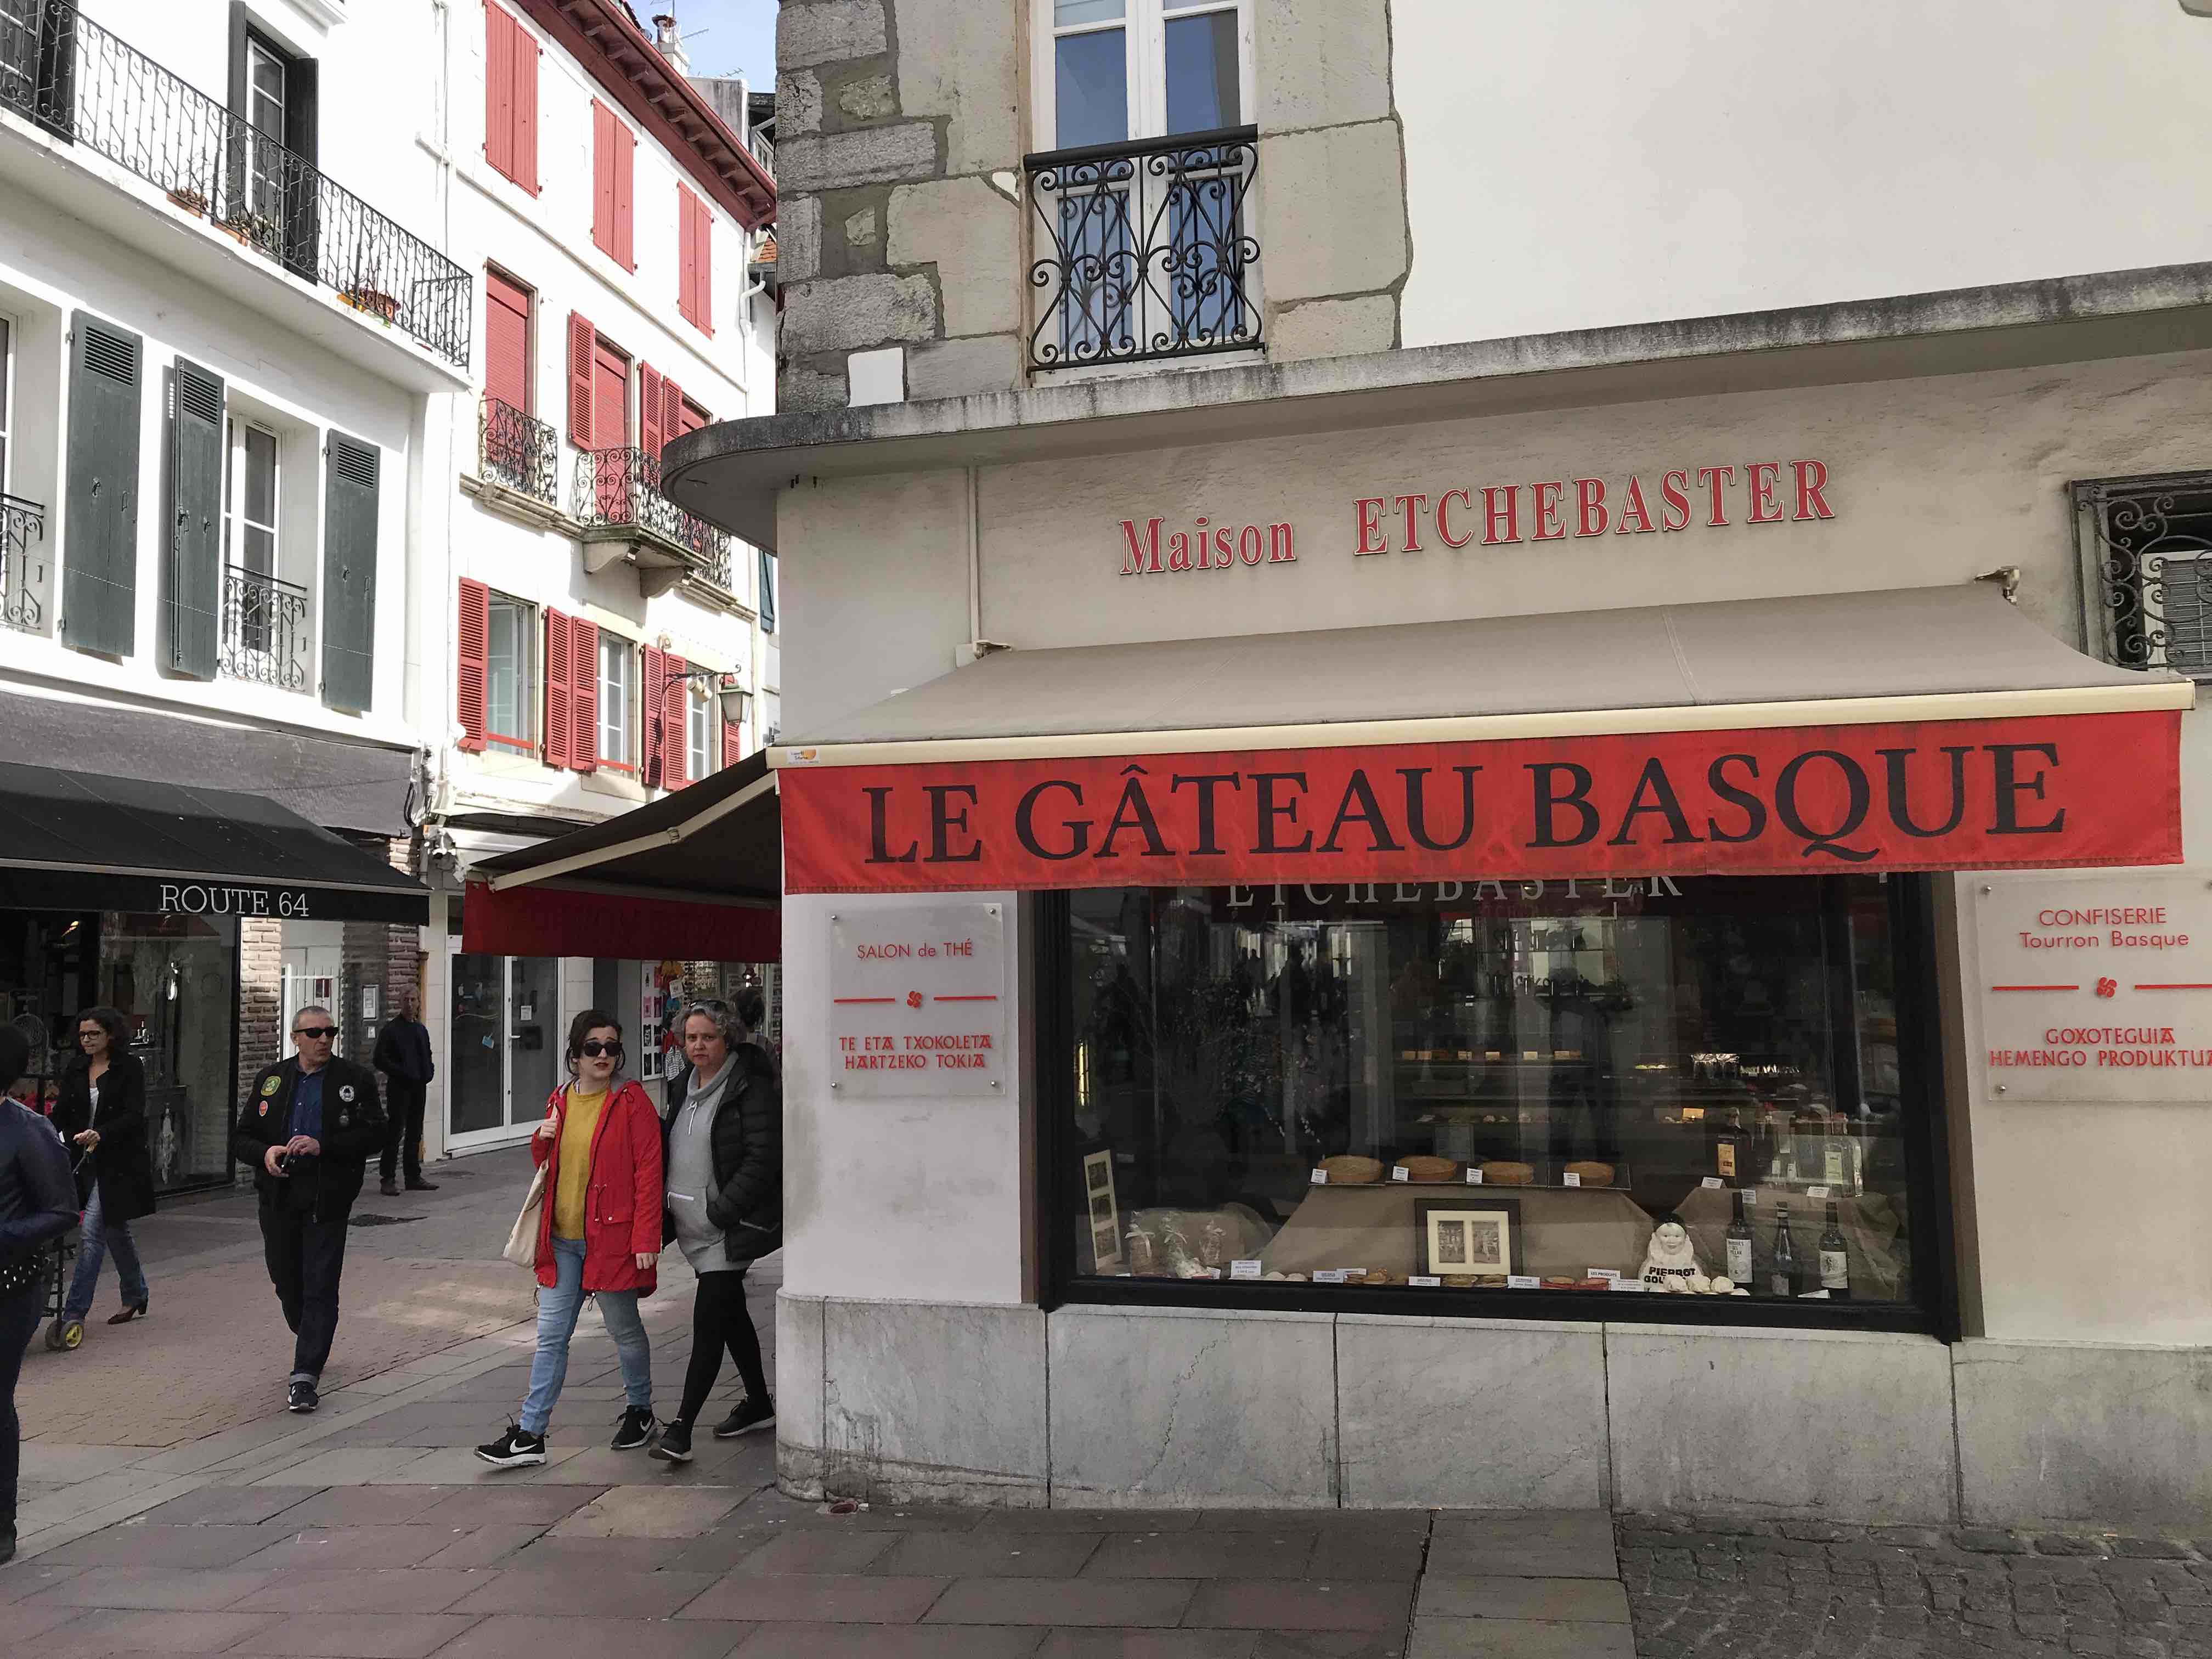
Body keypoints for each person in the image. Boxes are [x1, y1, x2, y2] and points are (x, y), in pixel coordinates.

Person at [477, 1011, 663, 1468]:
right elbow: (551, 1166)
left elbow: (649, 1174)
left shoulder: (632, 1101)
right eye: (593, 1047)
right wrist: (540, 1141)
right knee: (551, 1338)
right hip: (561, 1240)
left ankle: (641, 1411)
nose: (603, 1055)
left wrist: (646, 1239)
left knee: (624, 1330)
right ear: (574, 1055)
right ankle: (530, 1434)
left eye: (611, 1047)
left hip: (613, 1239)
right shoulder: (559, 1099)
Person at [232, 1006, 386, 1414]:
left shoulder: (354, 1079)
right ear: (295, 1038)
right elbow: (242, 1137)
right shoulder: (272, 1080)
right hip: (278, 1196)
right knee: (287, 1281)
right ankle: (311, 1332)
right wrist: (266, 1153)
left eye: (330, 1032)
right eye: (314, 1033)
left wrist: (324, 1147)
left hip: (327, 1197)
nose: (323, 1040)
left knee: (320, 1284)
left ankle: (305, 1376)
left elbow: (378, 1134)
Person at [650, 994, 781, 1465]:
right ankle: (760, 1404)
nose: (698, 1046)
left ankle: (681, 1428)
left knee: (708, 1323)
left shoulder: (750, 1087)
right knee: (732, 1317)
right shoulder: (683, 1084)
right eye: (691, 1038)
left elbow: (762, 1159)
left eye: (708, 1037)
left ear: (728, 1038)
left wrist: (722, 1212)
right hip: (692, 1228)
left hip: (726, 1229)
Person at [0, 1026, 77, 1564]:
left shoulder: (29, 1131)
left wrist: (3, 1237)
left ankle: (2, 1524)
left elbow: (61, 1211)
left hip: (9, 1286)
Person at [53, 1007, 157, 1342]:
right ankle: (136, 1291)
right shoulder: (76, 1068)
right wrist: (50, 1134)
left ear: (110, 1035)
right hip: (84, 1159)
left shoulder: (129, 1067)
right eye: (82, 1035)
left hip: (119, 1160)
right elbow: (63, 1112)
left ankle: (73, 1313)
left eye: (94, 1034)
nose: (86, 1040)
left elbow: (134, 1115)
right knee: (114, 1228)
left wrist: (101, 1133)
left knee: (92, 1232)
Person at [371, 989, 437, 1197]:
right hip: (400, 1087)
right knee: (396, 1131)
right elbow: (380, 1059)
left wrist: (429, 1071)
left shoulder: (420, 1029)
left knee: (415, 1132)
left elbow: (427, 1054)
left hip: (419, 1086)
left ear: (419, 1002)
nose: (409, 1003)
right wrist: (402, 1072)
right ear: (401, 1002)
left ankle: (413, 1176)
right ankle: (388, 1178)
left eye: (413, 1000)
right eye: (406, 1000)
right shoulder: (391, 1030)